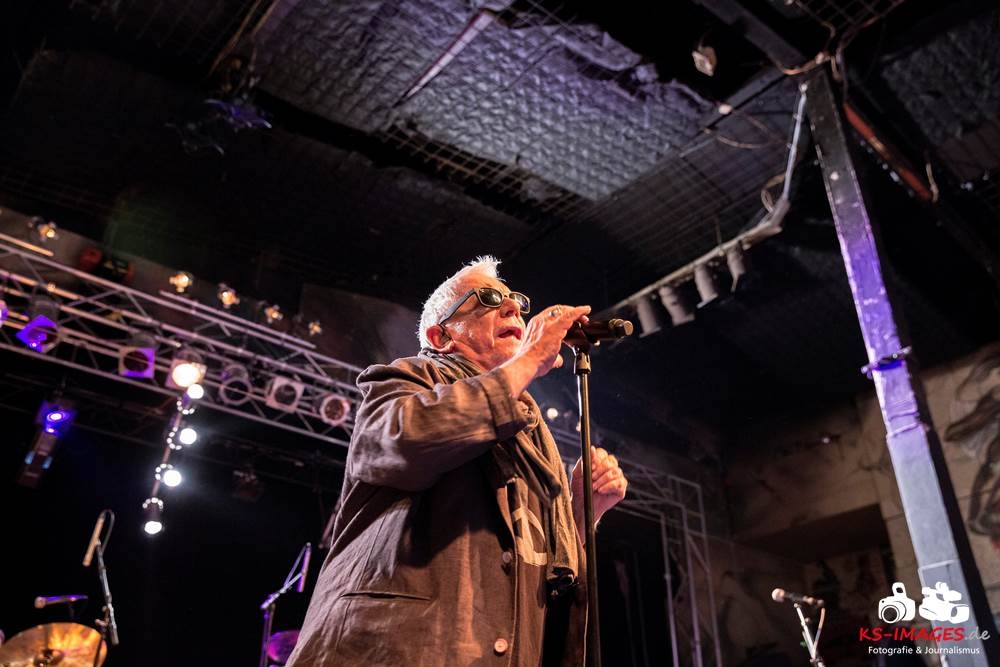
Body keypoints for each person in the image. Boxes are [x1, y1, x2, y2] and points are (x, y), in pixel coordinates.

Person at [286, 256, 628, 666]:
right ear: (441, 335)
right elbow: (405, 440)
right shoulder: (408, 379)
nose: (512, 308)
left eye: (516, 301)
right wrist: (528, 360)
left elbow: (543, 568)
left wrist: (580, 513)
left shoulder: (533, 435)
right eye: (488, 299)